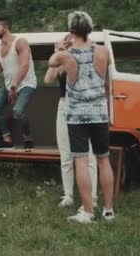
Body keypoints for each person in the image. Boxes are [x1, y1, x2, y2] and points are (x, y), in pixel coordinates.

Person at [48, 11, 115, 223]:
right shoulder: (104, 51)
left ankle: (87, 212)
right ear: (90, 28)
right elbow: (107, 69)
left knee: (81, 161)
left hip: (77, 115)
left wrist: (60, 47)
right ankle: (108, 210)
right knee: (103, 160)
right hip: (99, 112)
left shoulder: (66, 55)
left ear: (71, 31)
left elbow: (51, 63)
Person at [44, 36, 98, 208]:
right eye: (66, 42)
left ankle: (93, 197)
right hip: (64, 105)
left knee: (88, 155)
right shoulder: (62, 60)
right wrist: (58, 53)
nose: (68, 44)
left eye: (71, 41)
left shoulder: (88, 57)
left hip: (83, 106)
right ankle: (68, 195)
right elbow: (48, 79)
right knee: (66, 154)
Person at [0, 16, 37, 151]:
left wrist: (15, 86)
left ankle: (27, 138)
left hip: (26, 83)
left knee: (18, 111)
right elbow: (1, 67)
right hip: (9, 85)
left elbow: (24, 65)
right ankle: (7, 139)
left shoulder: (20, 42)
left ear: (5, 27)